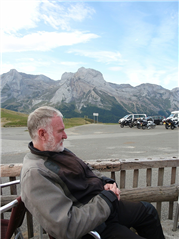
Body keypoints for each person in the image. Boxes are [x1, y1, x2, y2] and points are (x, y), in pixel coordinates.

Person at [20, 106, 165, 239]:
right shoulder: (35, 173)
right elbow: (66, 226)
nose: (65, 135)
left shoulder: (58, 151)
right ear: (42, 134)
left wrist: (105, 182)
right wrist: (106, 199)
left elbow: (87, 169)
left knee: (148, 211)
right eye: (60, 131)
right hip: (91, 227)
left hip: (103, 208)